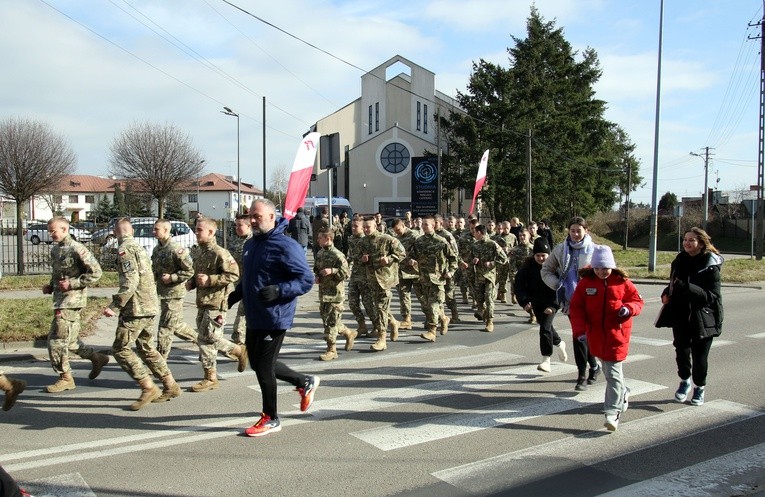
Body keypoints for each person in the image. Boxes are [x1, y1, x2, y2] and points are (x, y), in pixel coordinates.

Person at [230, 198, 318, 437]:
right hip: (255, 314)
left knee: (264, 367)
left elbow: (306, 280)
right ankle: (303, 382)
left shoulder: (285, 245)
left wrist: (280, 291)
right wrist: (235, 295)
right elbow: (250, 277)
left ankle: (271, 417)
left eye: (257, 216)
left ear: (271, 216)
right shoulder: (251, 245)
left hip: (275, 315)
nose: (253, 220)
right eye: (251, 216)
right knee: (257, 362)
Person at [103, 218, 182, 409]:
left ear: (116, 231)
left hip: (136, 309)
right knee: (146, 348)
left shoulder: (125, 250)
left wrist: (114, 306)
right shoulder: (138, 247)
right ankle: (170, 384)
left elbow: (130, 281)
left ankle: (147, 386)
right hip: (149, 305)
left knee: (121, 349)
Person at [569, 245, 644, 431]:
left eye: (605, 268)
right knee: (611, 373)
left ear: (612, 266)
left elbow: (637, 301)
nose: (602, 272)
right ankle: (623, 393)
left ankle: (612, 412)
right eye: (598, 268)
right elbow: (576, 308)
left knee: (612, 374)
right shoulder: (586, 283)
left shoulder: (622, 282)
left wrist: (629, 309)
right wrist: (580, 331)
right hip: (594, 337)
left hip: (617, 336)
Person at [43, 217, 110, 393]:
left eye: (53, 231)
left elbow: (96, 272)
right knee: (70, 342)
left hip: (71, 301)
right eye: (49, 231)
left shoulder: (77, 248)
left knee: (56, 341)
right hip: (59, 300)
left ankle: (66, 378)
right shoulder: (56, 250)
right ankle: (97, 358)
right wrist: (51, 285)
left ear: (65, 229)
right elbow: (59, 273)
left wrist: (73, 283)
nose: (51, 234)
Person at [661, 227, 723, 406]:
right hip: (680, 314)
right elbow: (673, 284)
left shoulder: (710, 266)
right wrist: (666, 293)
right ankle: (684, 381)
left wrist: (687, 287)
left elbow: (712, 296)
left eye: (692, 240)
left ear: (701, 243)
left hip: (704, 317)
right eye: (685, 239)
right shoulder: (679, 261)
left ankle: (699, 388)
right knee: (681, 351)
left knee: (699, 357)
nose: (687, 243)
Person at [187, 217, 248, 393]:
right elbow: (200, 274)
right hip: (203, 301)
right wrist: (193, 282)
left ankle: (212, 375)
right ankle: (234, 353)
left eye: (199, 230)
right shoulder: (201, 252)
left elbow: (233, 274)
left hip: (216, 303)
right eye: (196, 229)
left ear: (211, 232)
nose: (196, 232)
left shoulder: (220, 253)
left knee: (206, 339)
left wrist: (210, 280)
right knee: (206, 338)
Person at [541, 216, 600, 391]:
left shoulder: (595, 250)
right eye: (572, 230)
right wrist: (558, 285)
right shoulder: (560, 249)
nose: (575, 234)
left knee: (588, 336)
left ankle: (594, 366)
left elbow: (606, 271)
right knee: (579, 336)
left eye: (578, 230)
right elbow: (546, 270)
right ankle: (582, 374)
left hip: (592, 300)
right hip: (571, 301)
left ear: (586, 231)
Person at [514, 237, 566, 372]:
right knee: (545, 326)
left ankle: (546, 359)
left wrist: (554, 306)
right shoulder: (527, 268)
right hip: (536, 303)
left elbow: (561, 287)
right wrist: (524, 301)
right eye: (538, 255)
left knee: (545, 328)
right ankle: (560, 343)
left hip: (551, 302)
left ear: (549, 255)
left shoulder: (556, 267)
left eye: (543, 255)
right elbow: (519, 285)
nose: (541, 258)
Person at [359, 215, 406, 351]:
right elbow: (355, 257)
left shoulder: (387, 240)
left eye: (369, 227)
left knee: (380, 308)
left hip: (384, 280)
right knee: (378, 307)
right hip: (370, 279)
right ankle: (393, 322)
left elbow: (402, 253)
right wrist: (362, 259)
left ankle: (382, 339)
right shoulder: (362, 242)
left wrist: (390, 259)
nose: (366, 230)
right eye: (364, 227)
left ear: (375, 226)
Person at [152, 219, 197, 359]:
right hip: (162, 293)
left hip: (174, 293)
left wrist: (173, 278)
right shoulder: (157, 249)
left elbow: (190, 270)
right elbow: (155, 270)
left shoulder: (175, 249)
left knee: (165, 327)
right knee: (176, 326)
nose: (153, 231)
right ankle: (206, 341)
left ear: (166, 231)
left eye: (156, 229)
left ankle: (160, 361)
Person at [412, 216, 457, 342]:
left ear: (433, 226)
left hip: (438, 279)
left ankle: (432, 331)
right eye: (423, 224)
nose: (424, 226)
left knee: (433, 305)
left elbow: (453, 257)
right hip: (423, 278)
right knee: (427, 305)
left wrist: (451, 271)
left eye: (427, 224)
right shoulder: (418, 241)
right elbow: (411, 255)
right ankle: (443, 318)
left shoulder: (441, 241)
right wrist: (411, 260)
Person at [314, 227, 354, 360]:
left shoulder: (338, 255)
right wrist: (318, 276)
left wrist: (333, 270)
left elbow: (346, 273)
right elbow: (317, 268)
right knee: (328, 320)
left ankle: (332, 350)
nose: (318, 240)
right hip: (323, 293)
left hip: (335, 294)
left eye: (320, 237)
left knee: (331, 322)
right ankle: (348, 333)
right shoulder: (320, 253)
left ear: (328, 239)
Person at [470, 224, 508, 332]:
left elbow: (504, 259)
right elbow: (471, 258)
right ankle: (483, 312)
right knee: (479, 298)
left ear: (479, 233)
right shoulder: (475, 245)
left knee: (489, 298)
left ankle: (490, 322)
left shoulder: (492, 244)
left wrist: (492, 263)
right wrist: (474, 260)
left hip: (489, 276)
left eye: (475, 232)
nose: (474, 235)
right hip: (478, 276)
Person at [392, 218, 422, 332]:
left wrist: (416, 260)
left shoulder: (415, 236)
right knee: (403, 295)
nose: (397, 232)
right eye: (395, 231)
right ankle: (406, 319)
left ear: (404, 225)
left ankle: (433, 318)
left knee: (422, 296)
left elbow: (423, 251)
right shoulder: (396, 239)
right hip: (402, 271)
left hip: (415, 271)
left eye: (398, 229)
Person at [347, 216, 375, 336]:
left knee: (368, 304)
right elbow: (350, 255)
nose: (353, 228)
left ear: (363, 227)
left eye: (356, 226)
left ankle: (377, 325)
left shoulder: (368, 240)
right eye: (352, 226)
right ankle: (362, 325)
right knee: (352, 302)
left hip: (366, 276)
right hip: (355, 275)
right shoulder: (351, 239)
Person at [228, 214, 253, 345]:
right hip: (237, 282)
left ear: (249, 226)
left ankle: (239, 338)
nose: (237, 228)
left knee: (243, 309)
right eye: (235, 225)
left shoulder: (254, 242)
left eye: (240, 225)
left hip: (250, 283)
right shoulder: (234, 242)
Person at [508, 229, 534, 321]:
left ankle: (533, 314)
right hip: (520, 277)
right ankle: (530, 312)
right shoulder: (515, 250)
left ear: (529, 236)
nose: (522, 237)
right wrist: (514, 277)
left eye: (524, 235)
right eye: (520, 236)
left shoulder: (533, 249)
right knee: (521, 297)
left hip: (531, 277)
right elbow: (512, 265)